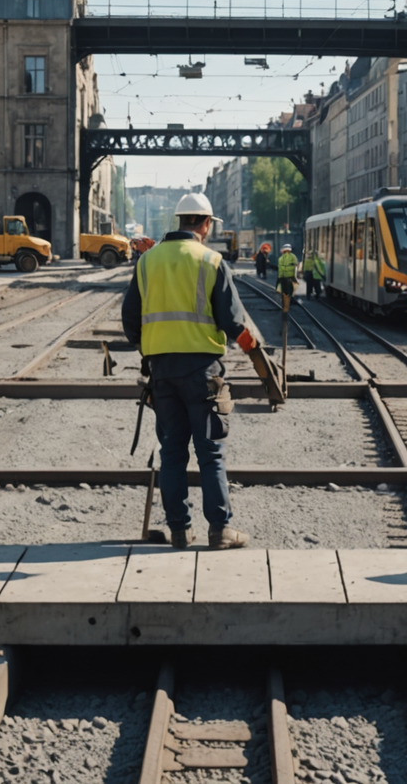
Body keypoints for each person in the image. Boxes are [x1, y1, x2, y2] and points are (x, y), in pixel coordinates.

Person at [123, 192, 256, 550]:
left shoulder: (148, 261)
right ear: (206, 224)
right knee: (210, 451)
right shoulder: (211, 261)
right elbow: (232, 322)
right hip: (203, 371)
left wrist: (151, 346)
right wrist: (250, 348)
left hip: (162, 371)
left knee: (172, 452)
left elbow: (130, 320)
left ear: (180, 220)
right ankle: (220, 530)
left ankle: (179, 530)